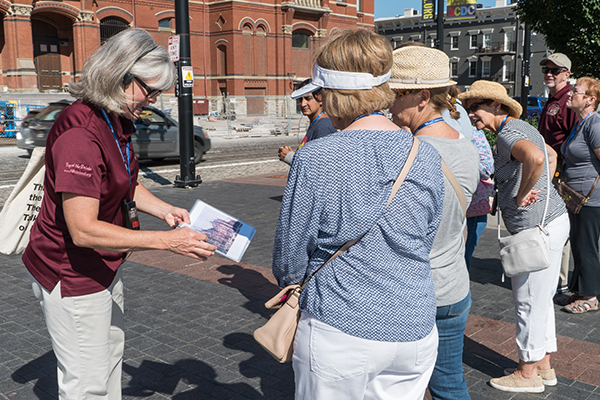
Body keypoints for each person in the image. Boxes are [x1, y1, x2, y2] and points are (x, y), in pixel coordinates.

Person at [22, 28, 216, 399]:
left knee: (109, 359)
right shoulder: (81, 132)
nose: (154, 100)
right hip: (73, 273)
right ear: (120, 75)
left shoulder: (115, 117)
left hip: (103, 266)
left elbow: (123, 181)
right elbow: (83, 229)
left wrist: (165, 210)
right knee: (87, 384)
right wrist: (167, 242)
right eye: (150, 90)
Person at [272, 29, 444, 400]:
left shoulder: (317, 158)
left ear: (331, 94)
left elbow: (290, 253)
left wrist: (293, 284)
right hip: (414, 323)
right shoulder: (425, 153)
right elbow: (425, 236)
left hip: (341, 323)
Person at [458, 80, 569, 393]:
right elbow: (549, 154)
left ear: (496, 106)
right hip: (550, 221)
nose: (471, 114)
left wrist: (521, 195)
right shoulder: (517, 126)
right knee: (540, 297)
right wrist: (540, 185)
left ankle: (527, 373)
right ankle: (543, 366)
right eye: (468, 108)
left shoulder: (507, 133)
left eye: (475, 107)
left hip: (538, 226)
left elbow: (536, 157)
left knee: (528, 300)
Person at [388, 45, 479, 400]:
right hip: (454, 285)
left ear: (422, 97)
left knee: (399, 387)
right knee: (449, 383)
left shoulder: (406, 154)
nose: (388, 104)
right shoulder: (468, 145)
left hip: (415, 291)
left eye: (394, 95)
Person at [559, 77, 600, 313]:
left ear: (590, 100)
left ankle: (591, 297)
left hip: (590, 199)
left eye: (576, 91)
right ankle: (579, 290)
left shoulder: (595, 125)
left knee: (587, 247)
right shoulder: (580, 124)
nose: (570, 93)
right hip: (574, 196)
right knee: (577, 245)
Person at [538, 52, 578, 294]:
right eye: (546, 70)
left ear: (567, 73)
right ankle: (553, 276)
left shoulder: (568, 100)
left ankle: (560, 281)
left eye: (555, 70)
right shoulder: (554, 99)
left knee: (559, 224)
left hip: (560, 173)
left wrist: (561, 168)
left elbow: (574, 138)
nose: (549, 74)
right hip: (548, 170)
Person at [278, 79, 336, 165]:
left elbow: (320, 166)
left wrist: (290, 157)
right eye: (300, 99)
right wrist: (296, 155)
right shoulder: (316, 123)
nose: (303, 104)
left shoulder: (323, 126)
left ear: (320, 99)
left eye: (308, 98)